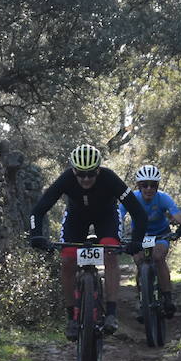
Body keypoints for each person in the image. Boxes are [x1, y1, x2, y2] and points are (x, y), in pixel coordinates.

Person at [28, 144, 146, 339]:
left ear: (98, 170)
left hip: (106, 217)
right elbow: (38, 210)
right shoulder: (66, 178)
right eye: (81, 174)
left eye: (91, 174)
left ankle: (110, 313)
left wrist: (137, 241)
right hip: (76, 219)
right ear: (73, 170)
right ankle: (72, 319)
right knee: (67, 261)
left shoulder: (109, 178)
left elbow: (138, 213)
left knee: (110, 254)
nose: (86, 179)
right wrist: (36, 235)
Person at [119, 164, 181, 318]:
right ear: (138, 186)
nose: (149, 189)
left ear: (157, 186)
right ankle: (143, 301)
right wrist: (113, 232)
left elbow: (176, 213)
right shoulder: (132, 198)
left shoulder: (163, 198)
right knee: (140, 262)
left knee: (158, 258)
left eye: (153, 185)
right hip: (139, 237)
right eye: (144, 185)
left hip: (160, 235)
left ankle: (168, 298)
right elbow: (119, 215)